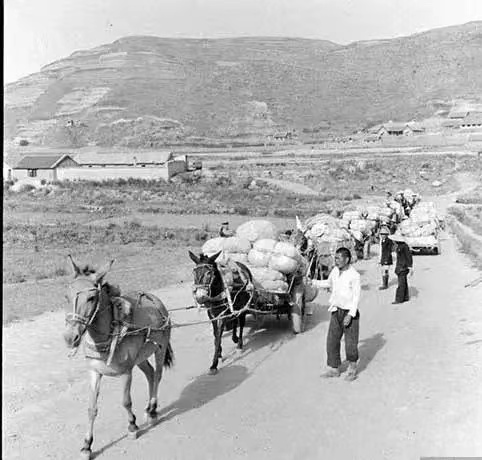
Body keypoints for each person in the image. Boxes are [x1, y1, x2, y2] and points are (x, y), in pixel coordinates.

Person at [312, 247, 361, 381]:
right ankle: (334, 368)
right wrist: (313, 282)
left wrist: (350, 315)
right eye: (336, 258)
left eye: (339, 258)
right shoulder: (335, 271)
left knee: (350, 343)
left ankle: (352, 368)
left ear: (347, 259)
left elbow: (356, 297)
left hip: (349, 313)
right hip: (336, 310)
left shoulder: (354, 275)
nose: (336, 261)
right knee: (332, 340)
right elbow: (328, 283)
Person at [389, 234, 413, 304]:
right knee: (404, 283)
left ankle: (399, 299)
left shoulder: (404, 247)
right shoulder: (400, 246)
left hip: (402, 267)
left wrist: (410, 266)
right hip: (401, 266)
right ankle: (405, 297)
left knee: (401, 284)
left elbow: (409, 257)